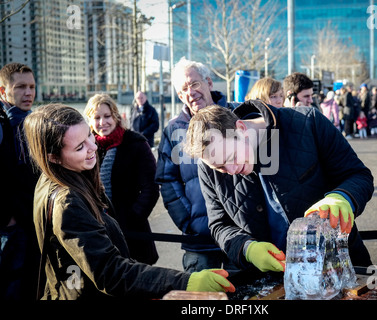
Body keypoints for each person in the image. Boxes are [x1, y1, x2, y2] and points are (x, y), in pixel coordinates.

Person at [23, 103, 234, 300]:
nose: (93, 147)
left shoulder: (64, 175)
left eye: (89, 135)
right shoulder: (67, 201)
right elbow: (109, 272)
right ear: (53, 157)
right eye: (79, 147)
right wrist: (185, 281)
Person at [184, 100, 374, 274]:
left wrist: (342, 197)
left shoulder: (307, 122)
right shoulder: (207, 168)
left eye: (231, 156)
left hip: (339, 265)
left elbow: (358, 175)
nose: (231, 169)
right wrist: (247, 248)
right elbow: (220, 224)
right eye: (220, 167)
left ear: (241, 128)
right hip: (269, 280)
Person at [155, 57, 239, 273]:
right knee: (200, 299)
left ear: (209, 83)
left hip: (242, 233)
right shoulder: (173, 130)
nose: (190, 92)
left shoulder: (237, 115)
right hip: (200, 239)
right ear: (180, 96)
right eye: (184, 89)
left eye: (194, 83)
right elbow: (167, 180)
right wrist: (188, 221)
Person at [84, 93, 159, 265]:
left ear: (116, 116)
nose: (102, 122)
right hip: (99, 232)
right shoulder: (87, 147)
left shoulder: (136, 143)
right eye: (97, 118)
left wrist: (133, 218)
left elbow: (151, 188)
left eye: (107, 116)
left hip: (132, 231)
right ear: (89, 121)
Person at [0, 62, 40, 300]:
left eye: (32, 87)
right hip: (10, 224)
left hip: (28, 217)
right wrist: (7, 217)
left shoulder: (30, 122)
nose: (28, 93)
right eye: (21, 87)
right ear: (3, 91)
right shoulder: (4, 124)